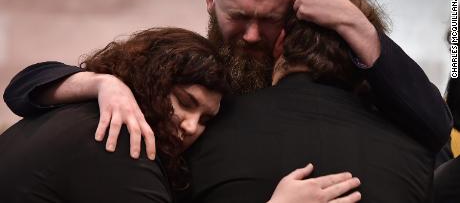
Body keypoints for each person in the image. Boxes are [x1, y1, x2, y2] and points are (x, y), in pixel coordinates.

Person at [2, 0, 451, 201]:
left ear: (287, 31)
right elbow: (23, 89)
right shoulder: (170, 79)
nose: (251, 36)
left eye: (268, 19)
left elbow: (435, 123)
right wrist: (103, 83)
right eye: (239, 16)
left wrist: (355, 24)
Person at [0, 27, 362, 203]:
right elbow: (19, 89)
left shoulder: (83, 115)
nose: (191, 126)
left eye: (205, 119)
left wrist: (102, 85)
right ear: (150, 80)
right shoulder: (120, 140)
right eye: (186, 102)